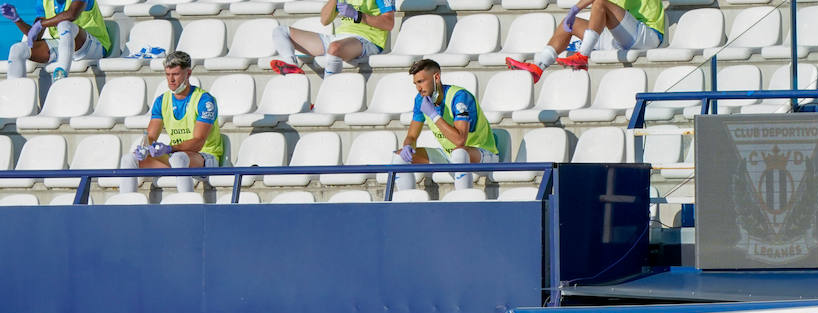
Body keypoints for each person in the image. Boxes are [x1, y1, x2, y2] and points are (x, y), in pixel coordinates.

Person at [118, 52, 223, 196]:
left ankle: (187, 205)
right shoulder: (162, 101)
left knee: (178, 158)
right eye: (167, 74)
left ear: (188, 73)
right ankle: (126, 207)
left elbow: (198, 142)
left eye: (176, 74)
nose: (171, 80)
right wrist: (145, 148)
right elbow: (151, 137)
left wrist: (169, 148)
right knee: (128, 159)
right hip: (176, 157)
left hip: (205, 158)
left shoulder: (204, 100)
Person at [393, 58, 499, 193]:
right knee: (399, 157)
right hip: (449, 154)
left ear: (436, 77)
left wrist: (434, 115)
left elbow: (460, 140)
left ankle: (465, 201)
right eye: (415, 83)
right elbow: (412, 136)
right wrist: (408, 146)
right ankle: (408, 203)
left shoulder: (460, 97)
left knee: (459, 153)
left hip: (482, 153)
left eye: (421, 81)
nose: (418, 88)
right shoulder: (420, 99)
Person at [506, 0, 665, 81]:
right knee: (570, 23)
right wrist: (573, 12)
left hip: (647, 36)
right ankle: (539, 67)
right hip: (619, 36)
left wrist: (577, 8)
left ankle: (583, 56)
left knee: (600, 3)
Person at [271, 0, 394, 76]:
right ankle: (292, 68)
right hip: (339, 38)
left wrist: (358, 15)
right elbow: (324, 20)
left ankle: (326, 95)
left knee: (334, 48)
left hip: (368, 39)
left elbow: (389, 23)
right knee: (280, 31)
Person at [2, 0, 109, 81]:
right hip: (64, 46)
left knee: (65, 24)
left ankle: (60, 77)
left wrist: (41, 24)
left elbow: (71, 14)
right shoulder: (44, 2)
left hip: (92, 47)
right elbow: (35, 36)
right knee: (17, 49)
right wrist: (17, 20)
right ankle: (15, 93)